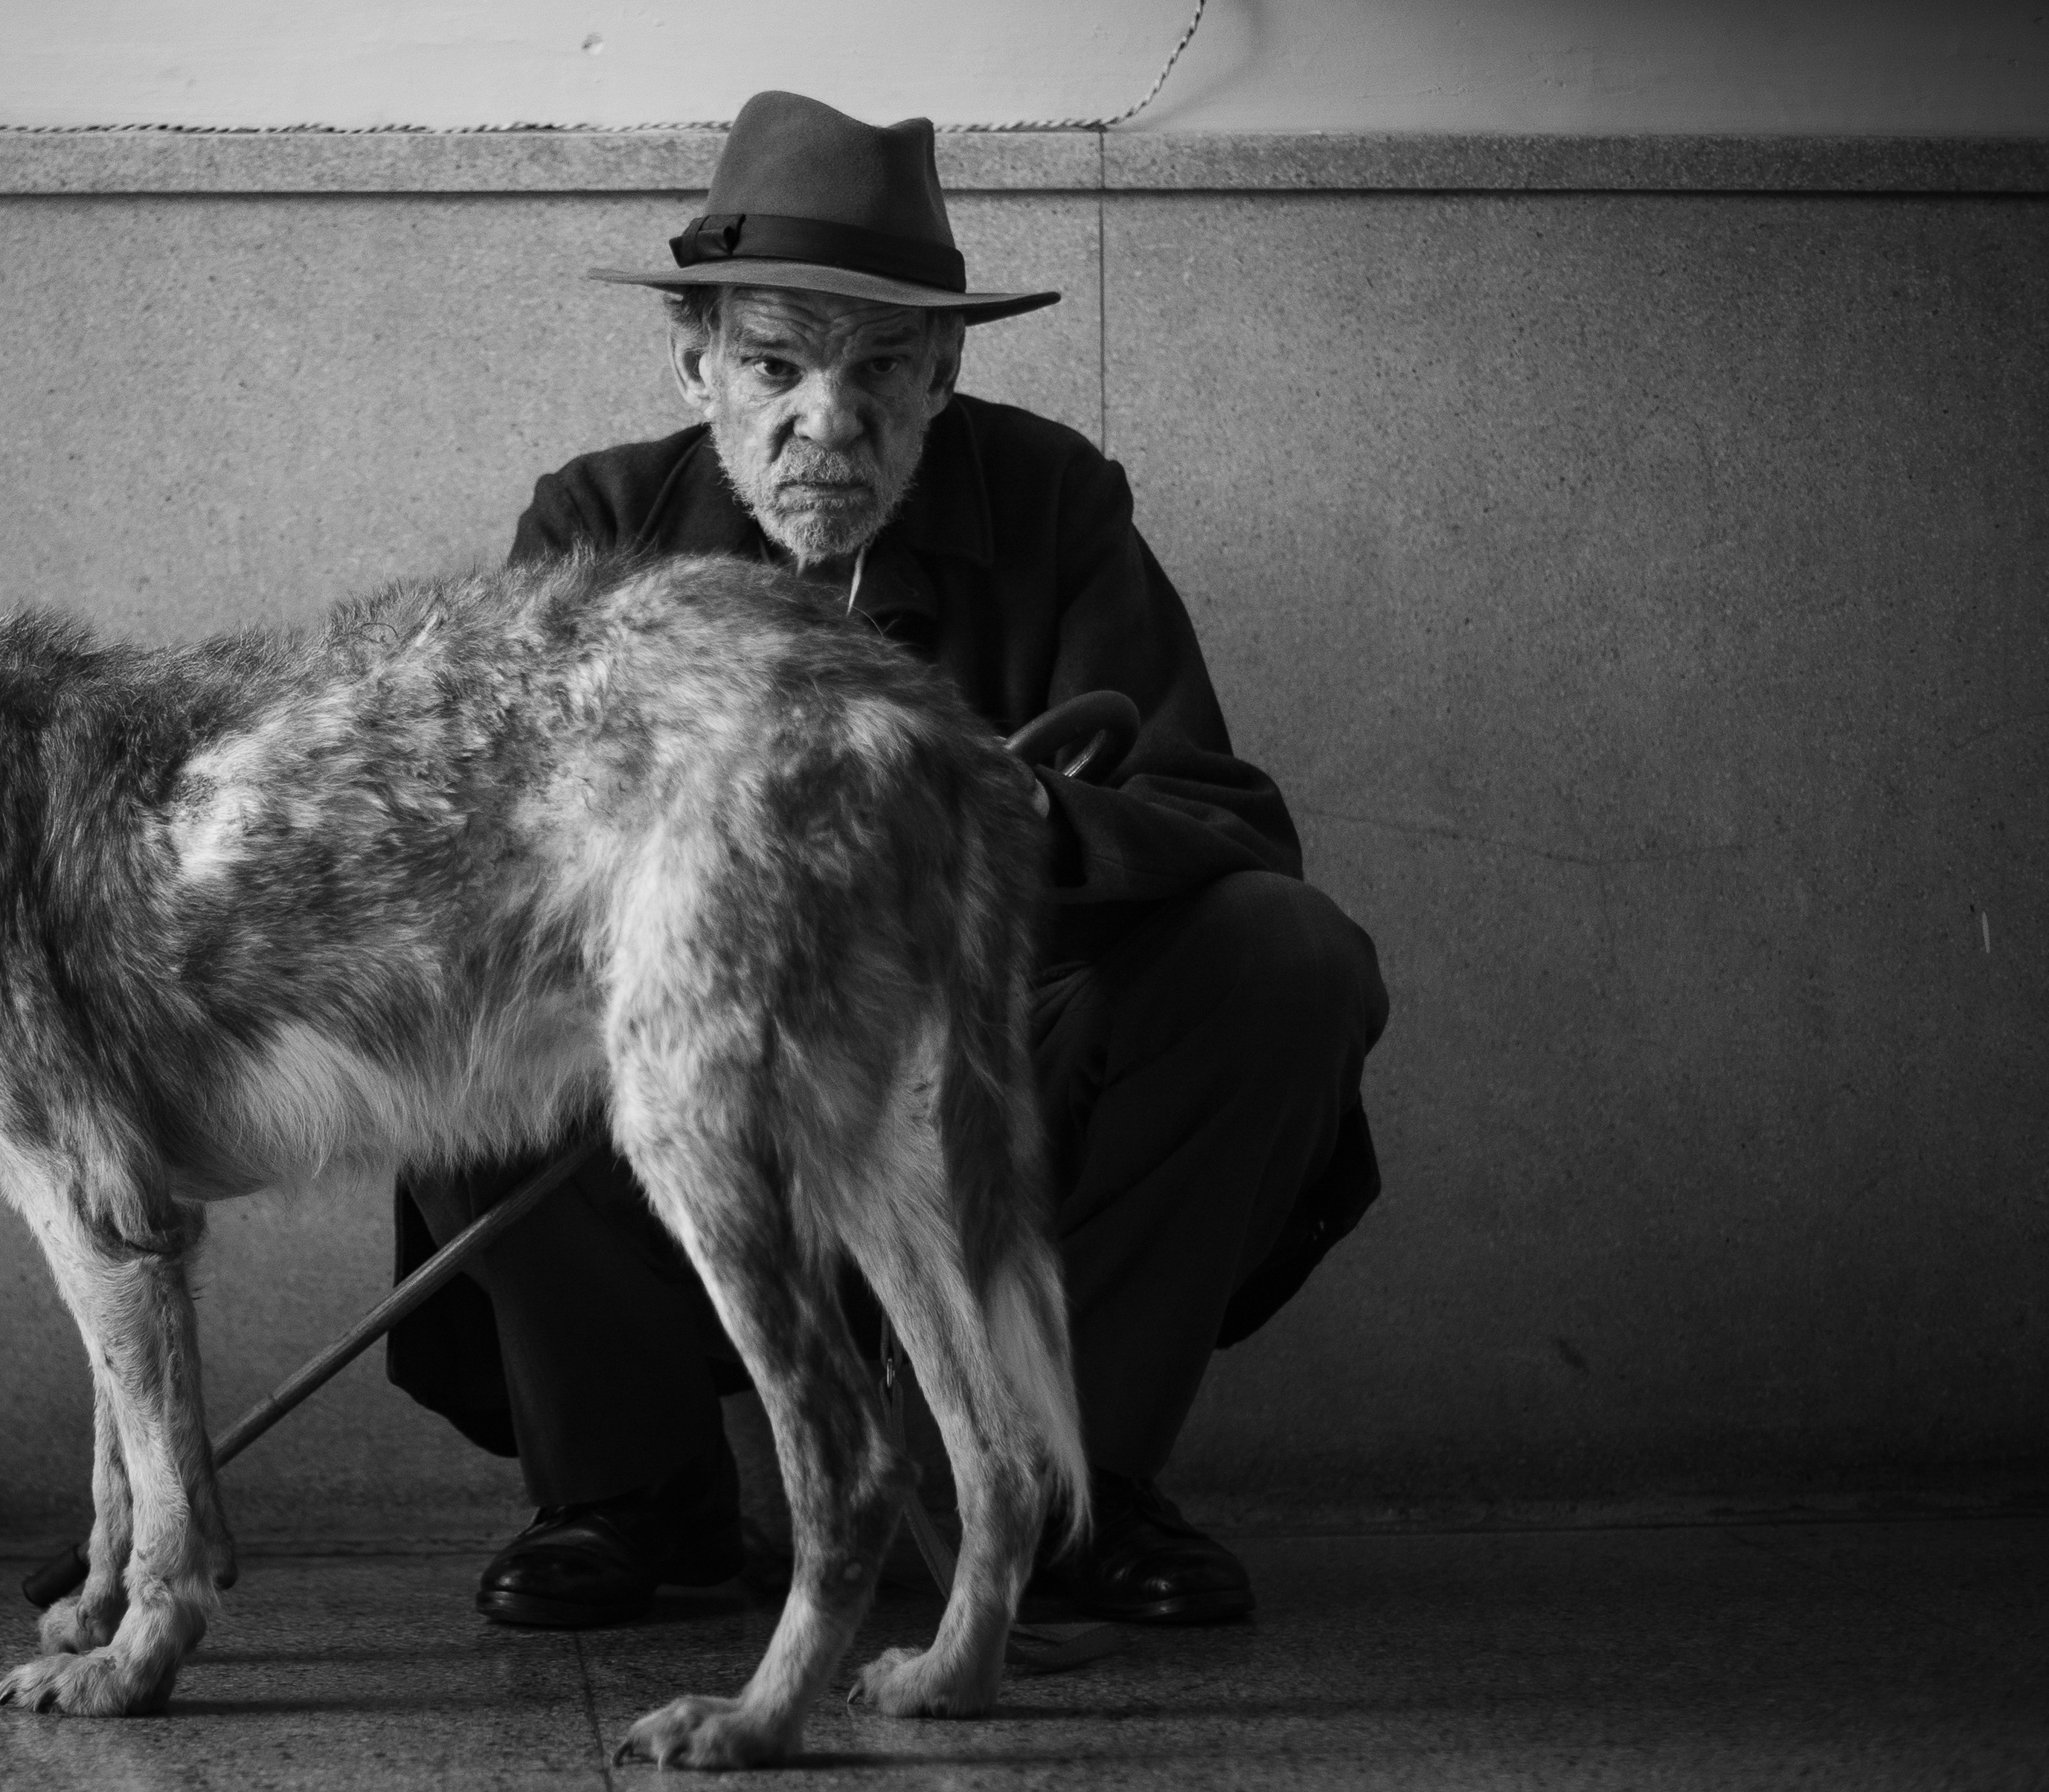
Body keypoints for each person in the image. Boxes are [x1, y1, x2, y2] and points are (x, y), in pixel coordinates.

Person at [385, 90, 1388, 1634]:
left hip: (981, 1074)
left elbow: (1219, 813)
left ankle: (1063, 1495)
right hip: (688, 1066)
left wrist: (1001, 819)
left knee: (1281, 954)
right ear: (697, 362)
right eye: (777, 369)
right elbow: (493, 854)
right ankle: (634, 1492)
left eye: (880, 374)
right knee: (459, 1015)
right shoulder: (595, 520)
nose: (827, 425)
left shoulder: (1053, 504)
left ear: (946, 374)